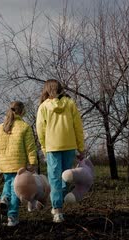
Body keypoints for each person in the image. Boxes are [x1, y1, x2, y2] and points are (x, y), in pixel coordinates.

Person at [36, 79, 85, 223]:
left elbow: (40, 130)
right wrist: (80, 147)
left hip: (52, 147)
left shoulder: (43, 106)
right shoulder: (70, 104)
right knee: (65, 177)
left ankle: (57, 210)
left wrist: (44, 148)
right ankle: (57, 205)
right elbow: (78, 127)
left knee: (55, 179)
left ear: (46, 89)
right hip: (69, 146)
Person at [0, 101, 38, 226]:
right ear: (22, 112)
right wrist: (33, 163)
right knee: (16, 191)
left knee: (8, 183)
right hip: (19, 166)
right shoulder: (25, 127)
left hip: (4, 165)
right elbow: (30, 147)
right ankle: (12, 218)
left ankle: (4, 198)